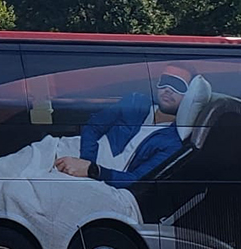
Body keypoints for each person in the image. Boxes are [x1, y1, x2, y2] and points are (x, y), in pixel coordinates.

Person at [52, 67, 193, 189]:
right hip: (74, 149)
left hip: (99, 179)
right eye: (165, 81)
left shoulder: (172, 142)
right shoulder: (134, 102)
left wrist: (92, 170)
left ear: (190, 95)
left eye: (177, 85)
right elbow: (93, 127)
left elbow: (137, 180)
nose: (168, 89)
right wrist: (85, 161)